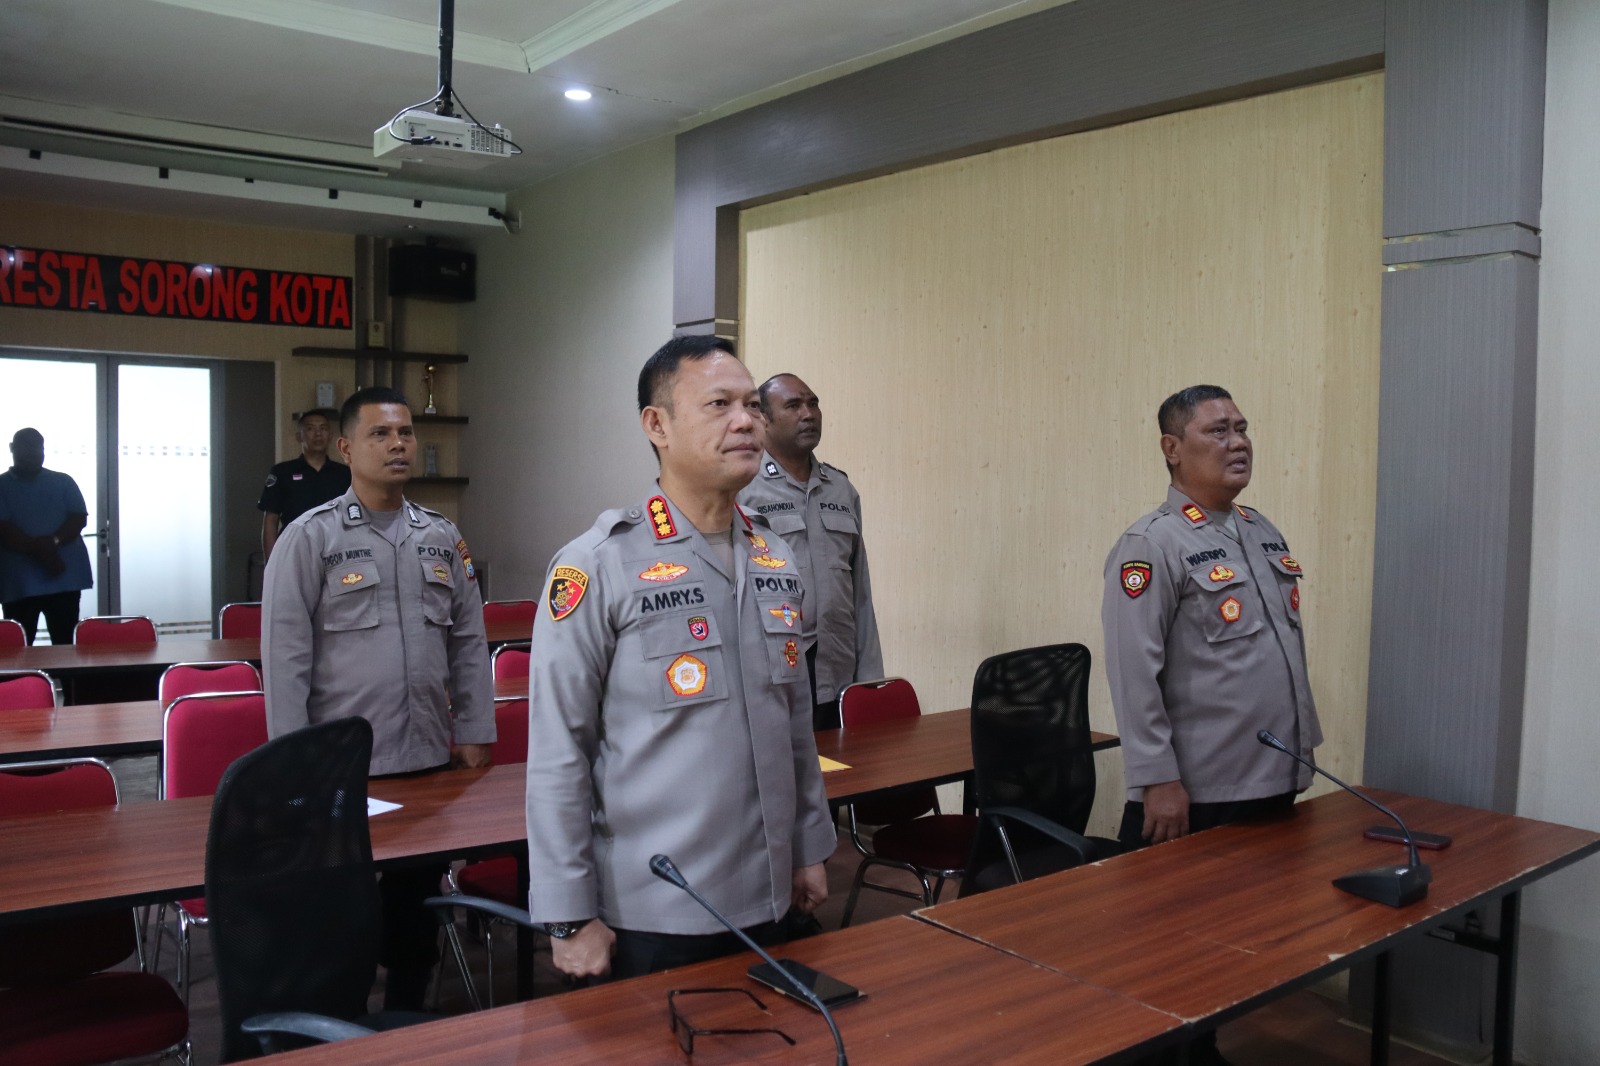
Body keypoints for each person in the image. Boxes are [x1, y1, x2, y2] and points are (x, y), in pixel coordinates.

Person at [526, 335, 836, 981]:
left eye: (752, 405)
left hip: (771, 895)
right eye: (719, 405)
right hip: (658, 908)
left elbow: (793, 725)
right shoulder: (599, 564)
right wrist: (567, 914)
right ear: (657, 425)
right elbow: (559, 751)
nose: (746, 421)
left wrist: (809, 847)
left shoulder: (774, 554)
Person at [1102, 386, 1322, 1065]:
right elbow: (1133, 673)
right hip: (1198, 790)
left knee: (1231, 945)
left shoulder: (1261, 530)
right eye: (1218, 431)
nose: (1238, 442)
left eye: (1242, 428)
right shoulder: (1151, 544)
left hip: (1270, 775)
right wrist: (1157, 779)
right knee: (1172, 951)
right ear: (1172, 449)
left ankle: (1201, 1051)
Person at [261, 386, 494, 1009]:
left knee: (415, 909)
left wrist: (475, 730)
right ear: (346, 448)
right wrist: (293, 762)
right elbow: (284, 658)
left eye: (405, 433)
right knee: (343, 912)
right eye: (380, 434)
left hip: (425, 757)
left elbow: (469, 641)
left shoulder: (440, 535)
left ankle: (407, 1014)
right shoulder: (310, 537)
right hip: (342, 767)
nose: (397, 445)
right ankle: (342, 1026)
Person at [738, 374, 884, 730]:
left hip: (838, 674)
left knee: (844, 763)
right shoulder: (744, 489)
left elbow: (860, 593)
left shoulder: (840, 489)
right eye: (793, 405)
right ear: (764, 419)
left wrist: (870, 680)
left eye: (813, 403)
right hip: (773, 677)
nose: (808, 414)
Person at [0, 429, 94, 645]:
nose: (33, 452)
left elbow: (78, 518)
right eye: (26, 446)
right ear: (12, 448)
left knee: (66, 647)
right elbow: (3, 530)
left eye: (38, 447)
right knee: (18, 649)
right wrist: (48, 555)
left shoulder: (63, 481)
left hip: (64, 581)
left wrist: (52, 543)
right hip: (19, 584)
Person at [258, 407, 351, 563]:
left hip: (335, 551)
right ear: (299, 436)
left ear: (330, 436)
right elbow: (271, 519)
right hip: (294, 550)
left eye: (323, 428)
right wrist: (271, 564)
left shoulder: (345, 474)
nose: (318, 434)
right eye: (310, 429)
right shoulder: (282, 472)